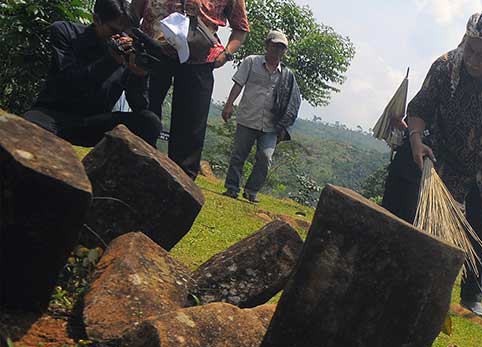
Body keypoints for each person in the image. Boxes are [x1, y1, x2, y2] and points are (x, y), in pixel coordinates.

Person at [381, 10, 482, 320]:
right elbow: (420, 108)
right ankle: (405, 270)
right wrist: (415, 138)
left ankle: (472, 293)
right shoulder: (444, 66)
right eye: (470, 48)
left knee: (480, 230)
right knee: (420, 210)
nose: (473, 59)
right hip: (444, 155)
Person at [133, 0, 250, 179]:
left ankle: (180, 185)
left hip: (201, 58)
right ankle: (135, 165)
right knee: (143, 111)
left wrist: (225, 55)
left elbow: (240, 28)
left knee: (190, 129)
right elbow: (134, 10)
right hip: (152, 49)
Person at [23, 0, 162, 147]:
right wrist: (110, 61)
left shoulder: (128, 52)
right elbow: (67, 84)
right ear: (96, 19)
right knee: (28, 126)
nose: (121, 38)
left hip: (94, 122)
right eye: (114, 31)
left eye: (125, 33)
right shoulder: (67, 33)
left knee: (150, 122)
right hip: (54, 114)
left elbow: (139, 106)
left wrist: (139, 75)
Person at [221, 30, 301, 203]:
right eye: (275, 46)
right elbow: (238, 84)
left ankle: (251, 191)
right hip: (248, 117)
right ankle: (232, 188)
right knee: (238, 155)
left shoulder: (287, 75)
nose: (278, 50)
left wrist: (284, 127)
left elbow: (292, 102)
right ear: (267, 45)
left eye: (281, 48)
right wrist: (229, 105)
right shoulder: (251, 62)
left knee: (265, 157)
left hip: (271, 125)